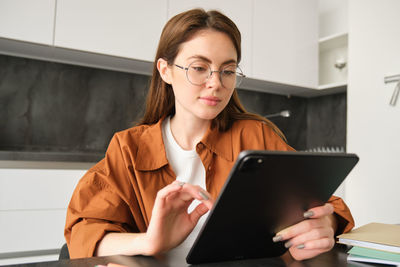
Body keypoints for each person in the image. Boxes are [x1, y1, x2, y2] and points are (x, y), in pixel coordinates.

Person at [64, 8, 354, 261]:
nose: (215, 83)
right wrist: (150, 241)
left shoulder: (257, 136)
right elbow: (84, 230)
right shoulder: (129, 147)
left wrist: (323, 225)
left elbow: (325, 205)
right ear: (165, 70)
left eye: (227, 71)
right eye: (200, 68)